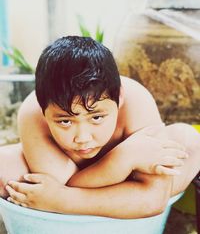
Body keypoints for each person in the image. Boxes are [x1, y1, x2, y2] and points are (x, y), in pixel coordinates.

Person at [1, 36, 200, 219]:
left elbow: (154, 199)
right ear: (42, 106)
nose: (82, 137)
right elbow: (64, 185)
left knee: (188, 138)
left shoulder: (136, 101)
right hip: (81, 178)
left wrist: (60, 200)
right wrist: (125, 159)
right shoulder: (33, 111)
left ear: (119, 98)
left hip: (123, 179)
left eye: (96, 117)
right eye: (65, 121)